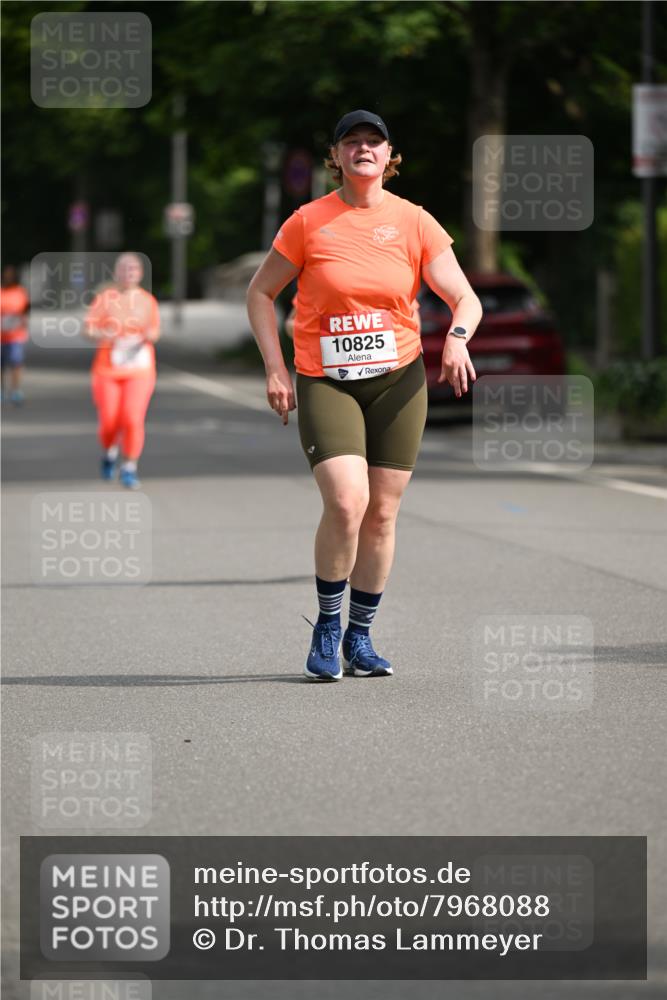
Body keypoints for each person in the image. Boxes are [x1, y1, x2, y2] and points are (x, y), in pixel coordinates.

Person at [247, 110, 482, 681]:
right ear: (336, 156)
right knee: (348, 501)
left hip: (398, 381)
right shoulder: (308, 221)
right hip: (326, 379)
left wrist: (456, 339)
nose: (363, 149)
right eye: (351, 142)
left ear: (388, 155)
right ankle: (328, 626)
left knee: (381, 513)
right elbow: (260, 293)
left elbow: (465, 299)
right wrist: (276, 369)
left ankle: (360, 636)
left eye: (374, 141)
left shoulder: (414, 222)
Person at [84, 253, 160, 489]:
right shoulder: (105, 298)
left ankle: (129, 467)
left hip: (139, 369)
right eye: (124, 269)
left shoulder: (147, 300)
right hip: (107, 370)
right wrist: (104, 334)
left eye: (133, 269)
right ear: (116, 273)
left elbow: (155, 331)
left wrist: (148, 335)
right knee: (109, 421)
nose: (128, 274)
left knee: (132, 418)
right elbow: (87, 330)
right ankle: (109, 452)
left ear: (140, 273)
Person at [1, 264, 30, 405]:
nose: (8, 277)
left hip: (16, 335)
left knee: (16, 363)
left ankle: (16, 391)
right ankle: (1, 391)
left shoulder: (20, 291)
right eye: (6, 274)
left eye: (11, 274)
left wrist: (24, 322)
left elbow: (25, 311)